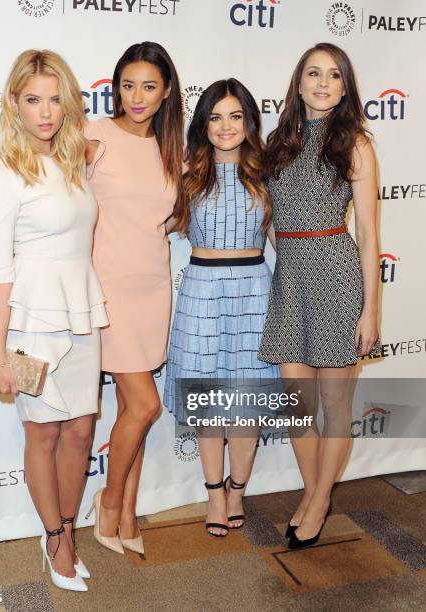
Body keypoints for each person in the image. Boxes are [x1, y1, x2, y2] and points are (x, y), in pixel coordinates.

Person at [0, 49, 108, 591]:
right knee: (44, 432)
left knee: (81, 430)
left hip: (81, 312)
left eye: (56, 99)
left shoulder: (75, 162)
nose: (46, 112)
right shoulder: (3, 174)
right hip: (32, 322)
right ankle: (56, 536)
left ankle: (66, 529)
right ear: (14, 103)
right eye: (33, 100)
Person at [257, 42, 381, 548]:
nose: (323, 83)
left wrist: (371, 310)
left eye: (334, 75)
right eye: (314, 73)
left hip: (336, 275)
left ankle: (317, 500)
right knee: (298, 407)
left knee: (333, 406)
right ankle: (316, 493)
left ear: (346, 86)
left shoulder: (356, 144)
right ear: (299, 81)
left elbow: (371, 234)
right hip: (289, 279)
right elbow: (267, 214)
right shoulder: (276, 142)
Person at [164, 79, 279, 537]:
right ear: (203, 123)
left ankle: (237, 489)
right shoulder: (186, 172)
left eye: (235, 116)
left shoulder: (268, 174)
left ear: (249, 121)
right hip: (201, 291)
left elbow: (283, 244)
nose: (226, 126)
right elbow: (158, 224)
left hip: (255, 290)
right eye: (215, 117)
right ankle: (214, 494)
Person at [84, 42, 184, 556]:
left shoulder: (171, 148)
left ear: (166, 90)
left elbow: (168, 218)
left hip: (153, 286)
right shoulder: (92, 136)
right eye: (127, 85)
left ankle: (126, 514)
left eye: (149, 86)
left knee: (132, 409)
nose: (137, 96)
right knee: (147, 404)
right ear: (115, 88)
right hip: (108, 289)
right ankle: (108, 499)